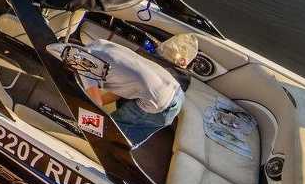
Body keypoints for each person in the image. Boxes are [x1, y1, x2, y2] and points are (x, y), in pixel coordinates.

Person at [48, 33, 198, 146]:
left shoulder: (86, 67)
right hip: (174, 90)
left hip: (160, 103)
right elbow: (121, 86)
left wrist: (79, 125)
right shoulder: (98, 44)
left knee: (113, 135)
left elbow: (95, 107)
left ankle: (103, 156)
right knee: (121, 127)